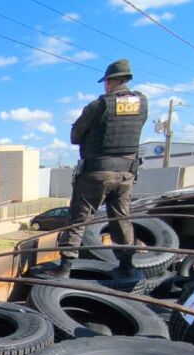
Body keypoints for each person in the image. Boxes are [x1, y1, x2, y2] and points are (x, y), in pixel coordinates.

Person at [51, 59, 148, 278]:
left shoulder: (99, 105)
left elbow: (75, 136)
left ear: (110, 81)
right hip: (126, 174)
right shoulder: (142, 103)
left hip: (97, 173)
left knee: (78, 218)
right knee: (121, 219)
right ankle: (126, 265)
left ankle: (65, 267)